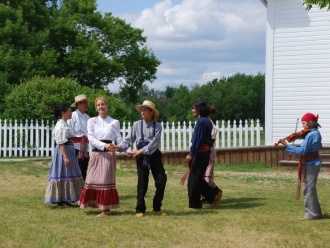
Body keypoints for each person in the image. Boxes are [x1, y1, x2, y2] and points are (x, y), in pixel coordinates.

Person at [115, 100, 167, 217]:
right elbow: (129, 140)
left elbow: (154, 143)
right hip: (141, 156)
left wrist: (141, 151)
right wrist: (119, 147)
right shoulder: (136, 125)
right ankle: (140, 209)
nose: (142, 112)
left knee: (161, 179)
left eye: (145, 110)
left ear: (151, 112)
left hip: (153, 154)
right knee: (142, 182)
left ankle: (157, 206)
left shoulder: (158, 126)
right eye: (141, 110)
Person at [79, 97, 124, 217]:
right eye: (98, 105)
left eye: (103, 104)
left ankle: (106, 209)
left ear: (107, 106)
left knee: (105, 181)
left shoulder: (114, 122)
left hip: (108, 155)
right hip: (96, 153)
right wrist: (105, 145)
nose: (101, 107)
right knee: (91, 180)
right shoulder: (92, 121)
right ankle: (94, 203)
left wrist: (124, 149)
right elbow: (92, 139)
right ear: (96, 107)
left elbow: (119, 139)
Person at [278, 113, 322, 220]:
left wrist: (286, 146)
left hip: (311, 164)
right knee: (311, 188)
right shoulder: (314, 133)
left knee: (308, 189)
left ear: (310, 123)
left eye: (304, 123)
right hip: (311, 162)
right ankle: (316, 213)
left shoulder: (311, 135)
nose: (302, 126)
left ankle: (311, 214)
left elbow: (302, 150)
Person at [45, 103, 84, 207]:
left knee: (67, 174)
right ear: (63, 113)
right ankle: (61, 200)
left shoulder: (65, 124)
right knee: (63, 174)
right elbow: (61, 142)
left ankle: (65, 198)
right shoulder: (60, 125)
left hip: (68, 151)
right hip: (63, 152)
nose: (71, 113)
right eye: (69, 111)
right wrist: (65, 156)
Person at [185, 100, 222, 210]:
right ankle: (213, 195)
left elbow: (198, 140)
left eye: (193, 108)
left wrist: (191, 154)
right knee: (195, 179)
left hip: (200, 154)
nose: (192, 110)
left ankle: (197, 203)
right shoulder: (206, 121)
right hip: (204, 154)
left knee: (193, 180)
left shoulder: (201, 122)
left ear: (199, 109)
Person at [201, 109, 222, 203]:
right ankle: (215, 191)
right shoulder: (203, 122)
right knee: (201, 176)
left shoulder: (208, 123)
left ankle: (211, 194)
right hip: (204, 151)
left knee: (207, 176)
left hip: (208, 150)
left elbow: (211, 139)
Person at [68, 94, 90, 181]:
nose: (86, 105)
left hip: (85, 147)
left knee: (84, 169)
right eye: (84, 103)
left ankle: (81, 191)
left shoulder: (87, 117)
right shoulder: (72, 116)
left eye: (86, 103)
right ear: (78, 104)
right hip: (75, 147)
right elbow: (69, 132)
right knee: (75, 170)